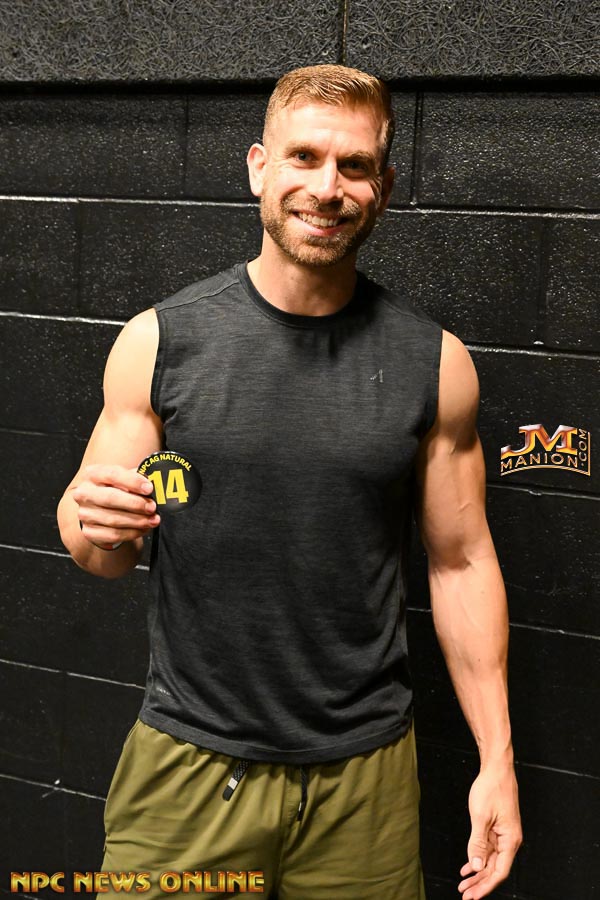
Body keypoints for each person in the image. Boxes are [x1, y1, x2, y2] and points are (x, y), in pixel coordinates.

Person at [57, 64, 522, 899]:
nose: (327, 188)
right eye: (304, 157)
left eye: (354, 166)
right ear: (259, 168)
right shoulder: (159, 342)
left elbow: (461, 563)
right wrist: (89, 522)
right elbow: (102, 551)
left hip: (364, 782)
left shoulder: (436, 364)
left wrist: (498, 761)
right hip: (190, 763)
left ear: (384, 187)